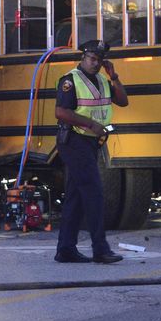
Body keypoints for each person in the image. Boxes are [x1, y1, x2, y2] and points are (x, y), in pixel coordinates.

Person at [54, 40, 128, 264]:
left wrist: (114, 76)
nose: (95, 63)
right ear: (83, 57)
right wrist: (90, 124)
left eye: (99, 60)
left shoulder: (103, 80)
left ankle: (65, 249)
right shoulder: (70, 80)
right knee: (94, 194)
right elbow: (60, 111)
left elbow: (123, 101)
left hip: (91, 143)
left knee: (75, 197)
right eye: (92, 59)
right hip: (75, 141)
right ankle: (100, 249)